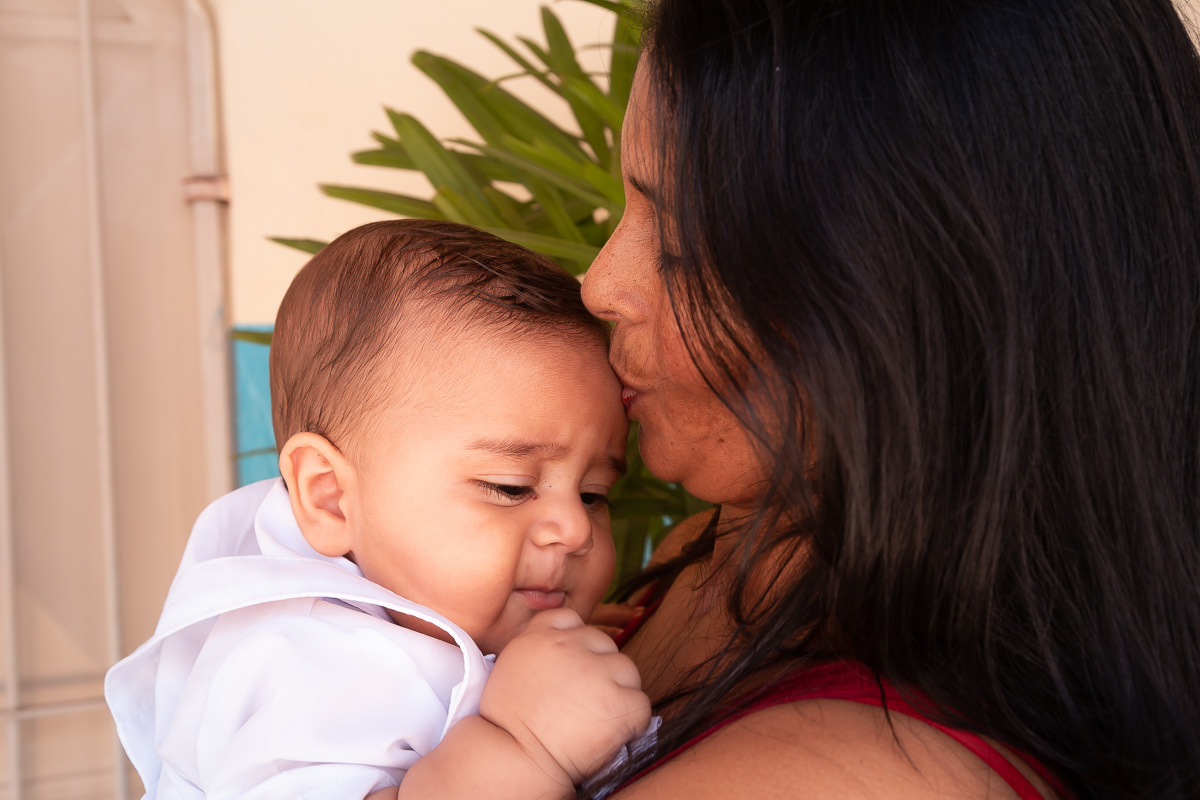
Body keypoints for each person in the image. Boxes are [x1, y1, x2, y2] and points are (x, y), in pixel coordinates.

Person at [579, 0, 1200, 797]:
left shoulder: (859, 775)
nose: (599, 285)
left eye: (678, 245)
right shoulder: (713, 554)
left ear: (900, 297)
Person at [105, 219, 651, 800]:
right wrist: (523, 743)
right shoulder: (305, 663)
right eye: (510, 487)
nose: (573, 530)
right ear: (332, 497)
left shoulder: (412, 621)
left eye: (593, 495)